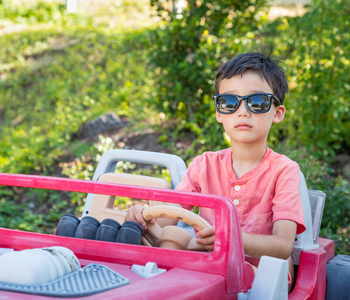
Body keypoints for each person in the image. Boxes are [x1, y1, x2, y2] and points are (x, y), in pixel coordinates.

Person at [125, 52, 305, 291]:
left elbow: (283, 245)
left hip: (263, 275)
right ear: (220, 113)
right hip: (209, 264)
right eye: (230, 102)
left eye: (257, 102)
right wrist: (143, 215)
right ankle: (158, 289)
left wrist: (232, 240)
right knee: (171, 236)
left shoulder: (284, 171)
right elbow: (170, 213)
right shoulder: (204, 164)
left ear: (278, 113)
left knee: (212, 273)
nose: (243, 111)